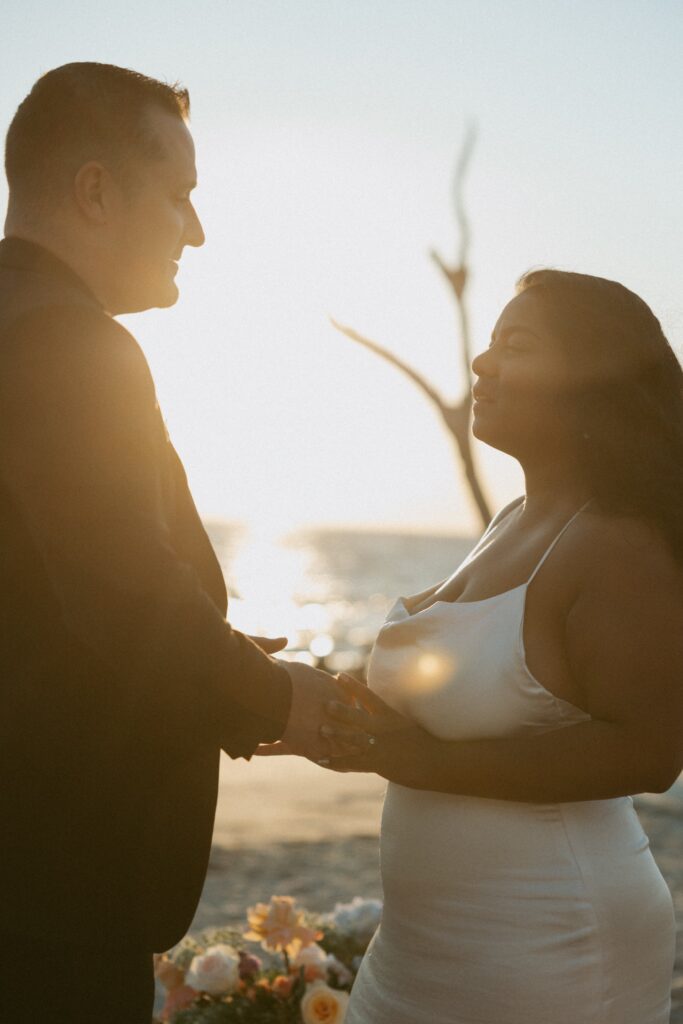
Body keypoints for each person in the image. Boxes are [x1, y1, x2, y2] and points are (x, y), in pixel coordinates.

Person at [0, 62, 344, 1024]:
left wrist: (226, 680)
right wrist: (282, 699)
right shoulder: (67, 341)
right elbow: (119, 592)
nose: (195, 229)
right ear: (96, 190)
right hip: (46, 894)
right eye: (180, 195)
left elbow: (43, 598)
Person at [316, 270, 683, 1022]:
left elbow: (649, 751)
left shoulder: (615, 541)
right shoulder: (513, 516)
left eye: (515, 346)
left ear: (594, 378)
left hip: (549, 942)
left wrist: (408, 758)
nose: (481, 365)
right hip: (424, 945)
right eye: (486, 345)